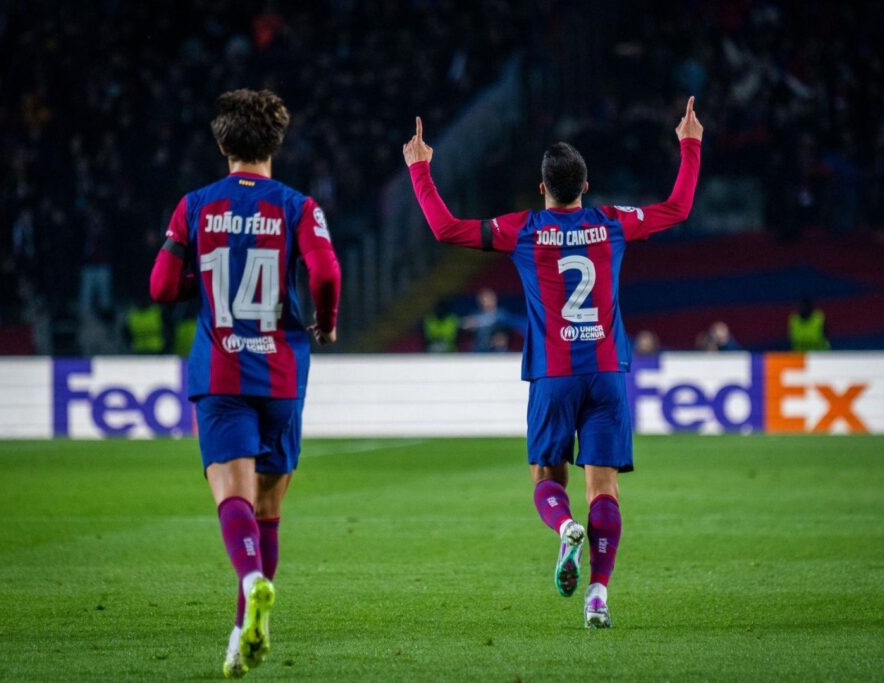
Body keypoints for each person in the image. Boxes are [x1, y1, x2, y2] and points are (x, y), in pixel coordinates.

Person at [404, 97, 702, 628]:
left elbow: (446, 229)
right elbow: (678, 208)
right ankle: (598, 596)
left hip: (554, 374)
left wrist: (420, 169)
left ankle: (565, 527)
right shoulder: (613, 222)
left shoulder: (523, 228)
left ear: (542, 188)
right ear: (586, 186)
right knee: (605, 487)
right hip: (607, 372)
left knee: (546, 476)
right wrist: (690, 142)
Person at [149, 89, 341, 677]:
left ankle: (251, 581)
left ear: (224, 143)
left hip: (222, 367)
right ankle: (241, 634)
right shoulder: (298, 206)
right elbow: (327, 271)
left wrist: (199, 291)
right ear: (275, 144)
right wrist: (326, 322)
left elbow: (160, 287)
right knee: (269, 508)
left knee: (231, 497)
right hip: (281, 368)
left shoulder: (195, 205)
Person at [462, 288, 514, 352]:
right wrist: (469, 326)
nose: (485, 302)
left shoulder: (501, 314)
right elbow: (465, 325)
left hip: (498, 352)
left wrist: (477, 322)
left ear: (494, 299)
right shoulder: (475, 314)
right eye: (482, 299)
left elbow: (499, 323)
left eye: (488, 299)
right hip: (479, 351)